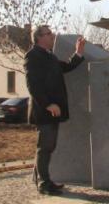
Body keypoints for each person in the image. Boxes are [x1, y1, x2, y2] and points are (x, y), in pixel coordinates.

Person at [25, 26, 86, 195]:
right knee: (45, 147)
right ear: (39, 37)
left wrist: (78, 52)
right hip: (45, 111)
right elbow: (33, 85)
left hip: (53, 111)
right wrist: (48, 104)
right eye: (49, 34)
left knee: (48, 147)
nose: (52, 36)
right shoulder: (33, 56)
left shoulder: (49, 56)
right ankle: (44, 183)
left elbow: (65, 67)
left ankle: (41, 179)